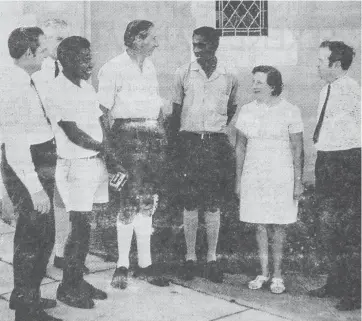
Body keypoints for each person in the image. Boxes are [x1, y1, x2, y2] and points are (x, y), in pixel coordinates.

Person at [97, 20, 169, 289]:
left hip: (152, 140)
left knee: (147, 201)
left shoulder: (149, 66)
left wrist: (161, 136)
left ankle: (146, 264)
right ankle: (122, 264)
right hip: (126, 139)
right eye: (152, 38)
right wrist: (110, 151)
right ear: (138, 39)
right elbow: (101, 113)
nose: (157, 43)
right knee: (128, 201)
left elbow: (157, 109)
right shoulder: (113, 68)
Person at [44, 36, 114, 309]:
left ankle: (77, 279)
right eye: (84, 58)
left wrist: (107, 148)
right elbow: (72, 132)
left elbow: (98, 120)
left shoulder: (86, 86)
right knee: (80, 227)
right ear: (67, 61)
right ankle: (67, 287)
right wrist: (103, 148)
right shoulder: (57, 89)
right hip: (74, 165)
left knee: (85, 228)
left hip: (94, 162)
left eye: (89, 57)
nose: (90, 63)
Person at [0, 27, 61, 321]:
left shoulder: (26, 79)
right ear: (27, 54)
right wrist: (35, 188)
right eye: (42, 49)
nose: (47, 53)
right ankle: (27, 311)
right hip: (26, 166)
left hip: (38, 159)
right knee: (36, 236)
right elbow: (14, 146)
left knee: (37, 234)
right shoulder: (13, 88)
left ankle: (24, 295)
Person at [169, 26, 238, 283]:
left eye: (203, 45)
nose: (198, 50)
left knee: (212, 202)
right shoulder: (184, 73)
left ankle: (211, 259)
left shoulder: (229, 75)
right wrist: (176, 146)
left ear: (215, 45)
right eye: (194, 45)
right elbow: (176, 111)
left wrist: (214, 129)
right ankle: (189, 258)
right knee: (189, 201)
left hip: (215, 144)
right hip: (189, 143)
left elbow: (231, 108)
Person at [234, 66, 304, 294]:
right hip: (254, 174)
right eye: (253, 81)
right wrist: (238, 180)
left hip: (281, 174)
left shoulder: (290, 110)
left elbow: (297, 148)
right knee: (259, 224)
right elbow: (241, 147)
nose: (254, 86)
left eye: (259, 83)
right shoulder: (246, 111)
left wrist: (298, 181)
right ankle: (263, 273)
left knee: (279, 225)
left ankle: (277, 276)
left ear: (272, 86)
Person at [32, 19, 91, 274]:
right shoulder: (39, 73)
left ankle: (61, 253)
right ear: (46, 41)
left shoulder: (68, 71)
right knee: (44, 203)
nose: (62, 44)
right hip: (45, 143)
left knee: (64, 200)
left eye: (65, 39)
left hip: (67, 142)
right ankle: (40, 260)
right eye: (57, 39)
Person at [308, 41, 361, 311]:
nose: (317, 64)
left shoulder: (352, 91)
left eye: (321, 60)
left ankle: (355, 290)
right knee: (329, 226)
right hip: (327, 159)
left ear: (336, 65)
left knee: (349, 227)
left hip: (347, 160)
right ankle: (336, 281)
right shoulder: (325, 90)